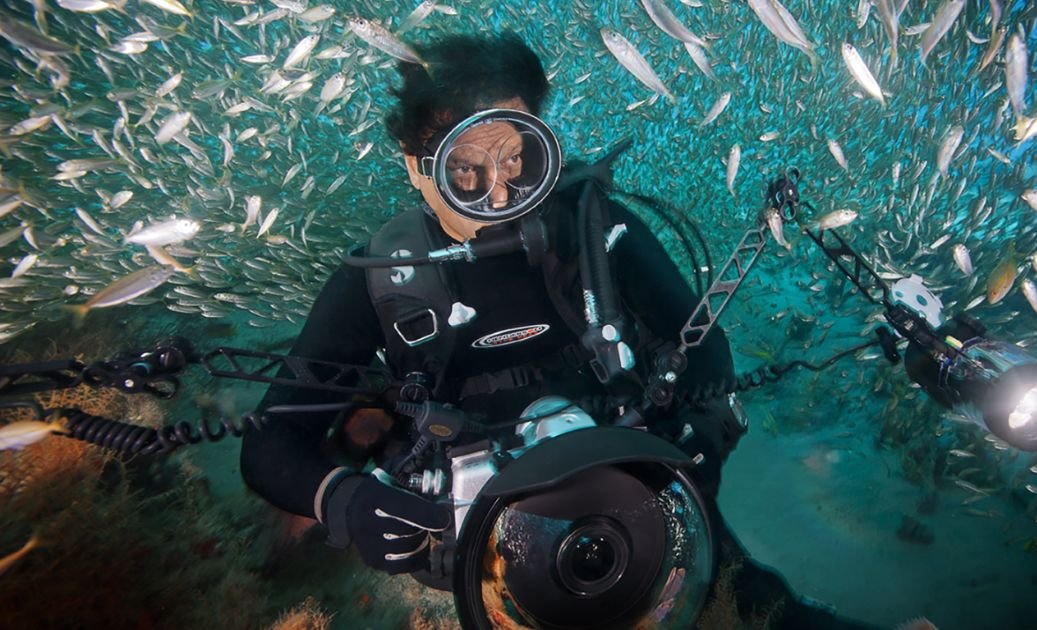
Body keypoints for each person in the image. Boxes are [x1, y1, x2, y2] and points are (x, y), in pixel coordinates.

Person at [241, 31, 870, 629]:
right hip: (488, 546)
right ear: (416, 166)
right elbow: (270, 443)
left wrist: (695, 444)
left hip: (637, 494)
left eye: (516, 157)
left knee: (753, 607)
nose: (502, 195)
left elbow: (702, 346)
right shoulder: (380, 278)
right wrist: (340, 500)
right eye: (467, 169)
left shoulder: (599, 232)